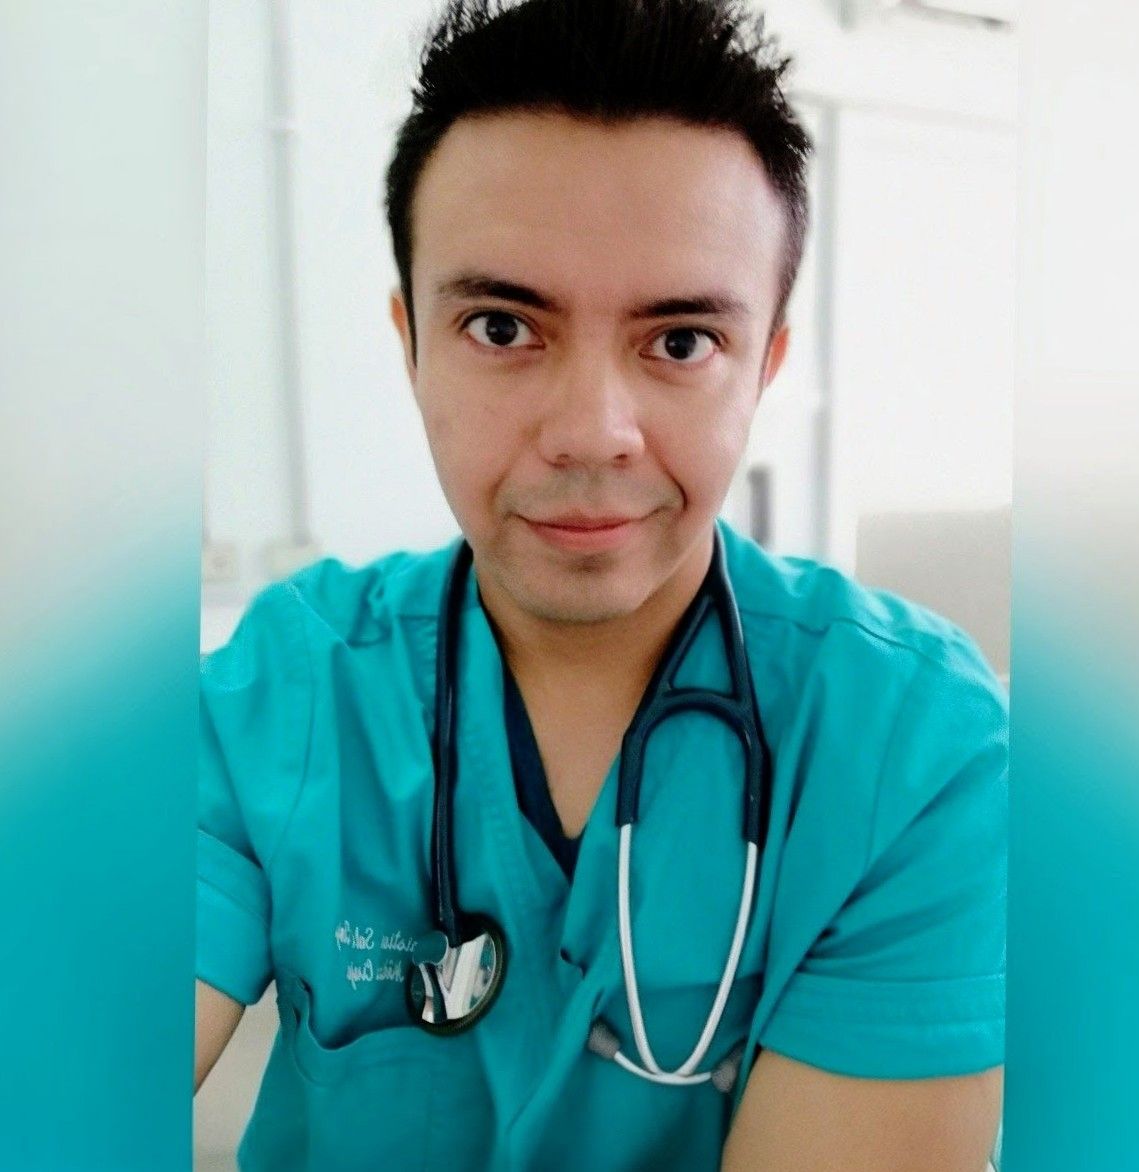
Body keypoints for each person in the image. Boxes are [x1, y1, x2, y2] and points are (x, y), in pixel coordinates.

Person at [195, 0, 1007, 1167]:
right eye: (500, 326)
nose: (590, 431)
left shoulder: (911, 747)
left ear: (762, 365)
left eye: (678, 341)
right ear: (410, 341)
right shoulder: (282, 689)